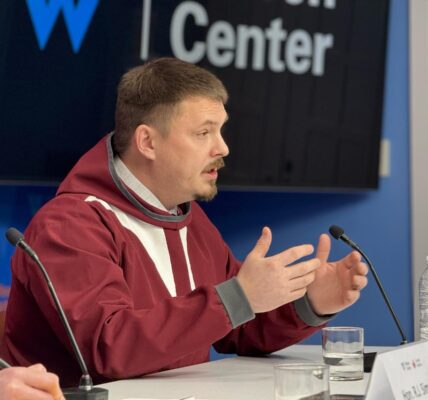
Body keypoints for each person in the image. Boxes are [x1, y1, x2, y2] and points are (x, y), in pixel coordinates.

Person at [1, 58, 368, 386]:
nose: (222, 148)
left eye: (221, 130)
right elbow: (109, 347)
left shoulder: (187, 219)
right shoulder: (71, 225)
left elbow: (238, 327)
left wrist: (309, 303)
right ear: (147, 142)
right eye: (203, 132)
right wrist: (238, 297)